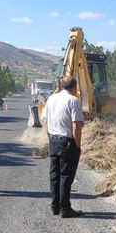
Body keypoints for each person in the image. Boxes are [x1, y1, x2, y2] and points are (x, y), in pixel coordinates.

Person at [45, 76, 84, 218]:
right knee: (66, 176)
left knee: (54, 175)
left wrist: (49, 138)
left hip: (53, 139)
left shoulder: (51, 98)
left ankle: (55, 207)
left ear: (62, 86)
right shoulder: (73, 101)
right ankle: (65, 209)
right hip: (67, 142)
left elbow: (46, 121)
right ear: (74, 88)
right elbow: (76, 126)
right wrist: (78, 145)